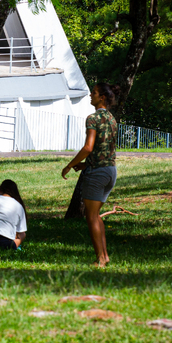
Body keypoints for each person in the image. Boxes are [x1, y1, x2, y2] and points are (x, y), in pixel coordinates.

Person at [61, 82, 120, 267]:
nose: (90, 96)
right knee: (96, 215)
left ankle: (100, 259)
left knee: (91, 217)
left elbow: (89, 147)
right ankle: (105, 256)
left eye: (93, 93)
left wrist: (70, 165)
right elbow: (104, 150)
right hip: (110, 171)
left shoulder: (92, 118)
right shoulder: (112, 119)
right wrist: (85, 165)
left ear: (102, 97)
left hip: (98, 174)